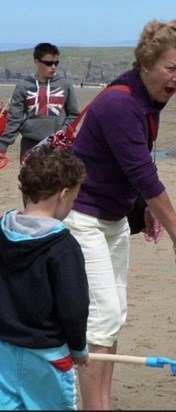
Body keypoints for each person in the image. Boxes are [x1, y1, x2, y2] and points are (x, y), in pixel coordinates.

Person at [63, 18, 176, 410]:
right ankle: (95, 406)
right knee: (102, 314)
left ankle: (102, 401)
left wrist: (142, 209)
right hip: (82, 217)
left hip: (111, 219)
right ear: (146, 63)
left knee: (115, 314)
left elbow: (129, 167)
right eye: (171, 68)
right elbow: (144, 173)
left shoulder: (147, 101)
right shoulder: (121, 103)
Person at [0, 144, 89, 410]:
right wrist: (79, 347)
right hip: (47, 356)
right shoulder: (63, 247)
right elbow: (74, 308)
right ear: (63, 195)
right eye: (73, 199)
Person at [0, 43, 80, 163]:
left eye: (56, 63)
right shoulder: (23, 86)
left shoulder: (65, 85)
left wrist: (63, 130)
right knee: (30, 181)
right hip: (29, 144)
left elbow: (73, 114)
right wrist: (3, 145)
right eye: (48, 63)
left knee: (57, 181)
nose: (53, 67)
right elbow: (14, 119)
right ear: (36, 62)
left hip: (58, 145)